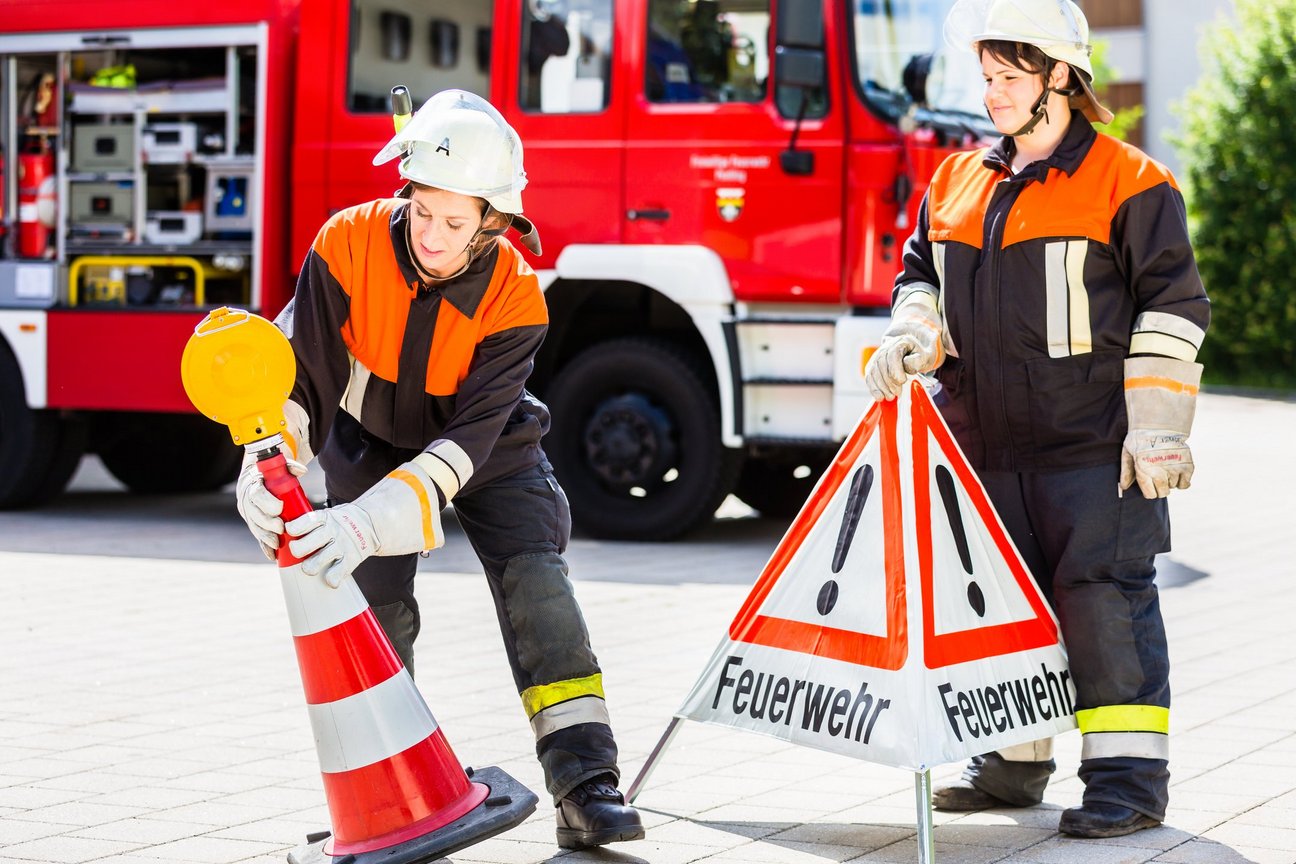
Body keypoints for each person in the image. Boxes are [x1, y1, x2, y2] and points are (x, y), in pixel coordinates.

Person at [234, 89, 645, 851]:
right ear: (407, 188)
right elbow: (301, 382)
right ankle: (391, 795)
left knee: (537, 585)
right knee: (375, 612)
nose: (432, 234)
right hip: (366, 440)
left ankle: (586, 785)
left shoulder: (518, 296)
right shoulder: (344, 244)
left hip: (489, 452)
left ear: (494, 221)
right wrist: (267, 466)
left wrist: (371, 520)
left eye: (456, 222)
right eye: (422, 210)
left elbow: (466, 444)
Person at [863, 0, 1210, 840]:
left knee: (1102, 607)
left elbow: (1174, 305)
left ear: (1060, 74)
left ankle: (1128, 784)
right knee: (1000, 612)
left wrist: (1159, 427)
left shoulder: (1131, 182)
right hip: (982, 450)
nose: (991, 95)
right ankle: (1013, 767)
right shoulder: (957, 181)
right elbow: (920, 275)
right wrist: (913, 330)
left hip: (1094, 452)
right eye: (985, 78)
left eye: (1008, 77)